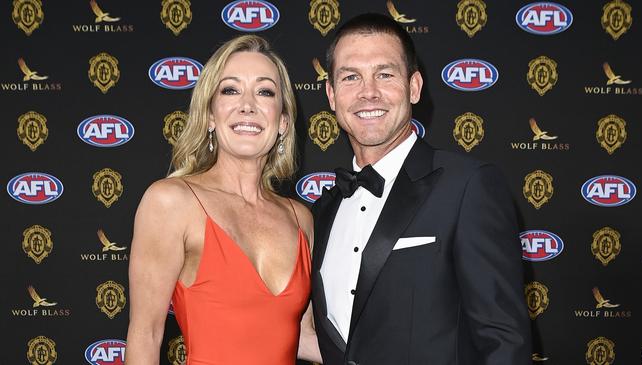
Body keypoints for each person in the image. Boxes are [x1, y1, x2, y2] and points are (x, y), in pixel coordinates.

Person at [311, 13, 532, 364]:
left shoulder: (468, 186)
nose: (368, 92)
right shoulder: (322, 211)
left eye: (385, 74)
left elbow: (504, 341)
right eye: (351, 77)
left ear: (414, 87)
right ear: (332, 95)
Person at [125, 35, 321, 364]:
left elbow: (301, 336)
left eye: (265, 91)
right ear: (211, 116)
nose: (247, 104)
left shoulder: (300, 218)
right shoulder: (171, 202)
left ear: (283, 122)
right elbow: (146, 335)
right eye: (230, 90)